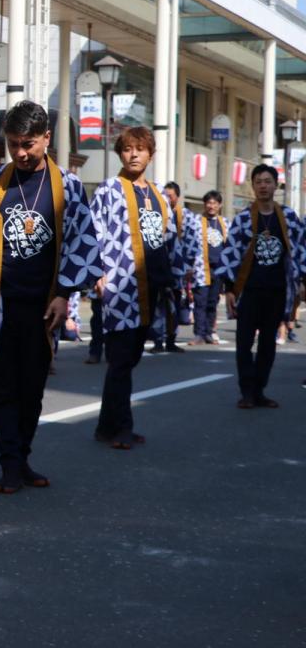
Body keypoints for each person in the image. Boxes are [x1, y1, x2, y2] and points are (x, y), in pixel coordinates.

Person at [0, 100, 100, 494]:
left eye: (28, 144)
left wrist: (64, 295)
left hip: (42, 306)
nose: (20, 152)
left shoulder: (67, 186)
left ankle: (23, 454)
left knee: (32, 388)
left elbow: (80, 243)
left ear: (46, 139)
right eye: (14, 143)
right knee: (1, 386)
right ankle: (10, 463)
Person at [90, 127, 180, 450]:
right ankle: (122, 428)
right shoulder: (108, 190)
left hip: (151, 286)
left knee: (129, 359)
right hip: (119, 286)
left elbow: (169, 239)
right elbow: (93, 233)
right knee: (121, 359)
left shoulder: (158, 195)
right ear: (120, 153)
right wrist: (96, 274)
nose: (134, 154)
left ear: (150, 154)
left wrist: (174, 279)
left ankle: (105, 425)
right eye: (128, 149)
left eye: (140, 149)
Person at [217, 164, 306, 409]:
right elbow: (231, 253)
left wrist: (301, 281)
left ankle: (259, 391)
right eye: (258, 181)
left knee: (268, 344)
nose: (263, 186)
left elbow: (300, 251)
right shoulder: (244, 218)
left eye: (268, 181)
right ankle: (246, 392)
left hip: (277, 289)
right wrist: (230, 289)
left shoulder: (288, 217)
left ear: (275, 185)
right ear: (253, 186)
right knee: (244, 343)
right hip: (250, 290)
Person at [149, 182, 192, 353]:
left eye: (170, 196)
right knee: (158, 305)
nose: (167, 198)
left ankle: (171, 340)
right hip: (157, 264)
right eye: (164, 195)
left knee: (173, 304)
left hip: (176, 267)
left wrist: (187, 266)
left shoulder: (186, 216)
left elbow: (191, 243)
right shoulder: (156, 212)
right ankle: (157, 340)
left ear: (177, 197)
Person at [187, 190, 228, 346]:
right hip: (200, 268)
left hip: (218, 269)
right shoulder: (196, 221)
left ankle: (209, 332)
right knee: (200, 301)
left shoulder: (224, 223)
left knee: (213, 302)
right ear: (204, 204)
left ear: (219, 205)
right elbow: (188, 244)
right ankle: (199, 334)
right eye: (209, 203)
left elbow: (228, 246)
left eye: (215, 203)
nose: (211, 206)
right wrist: (188, 266)